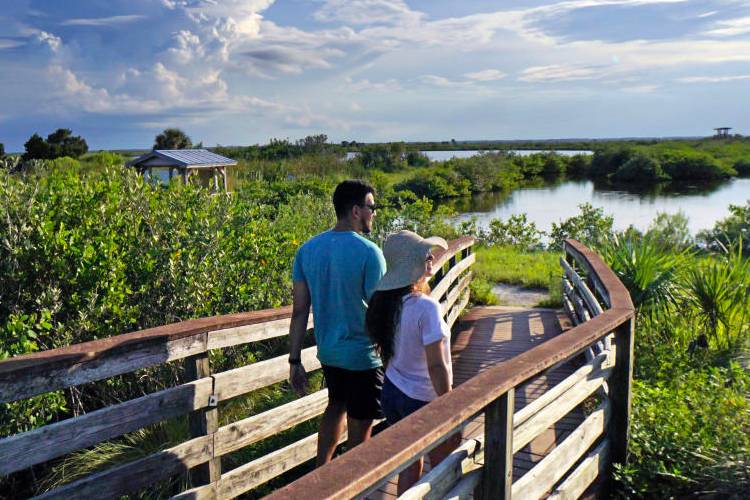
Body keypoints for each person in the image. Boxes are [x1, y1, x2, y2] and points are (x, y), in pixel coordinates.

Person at [288, 179, 386, 466]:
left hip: (329, 352)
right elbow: (379, 313)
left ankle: (322, 473)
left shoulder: (307, 250)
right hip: (363, 355)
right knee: (361, 428)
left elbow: (299, 311)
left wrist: (294, 360)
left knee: (336, 406)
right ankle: (352, 485)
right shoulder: (370, 253)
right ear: (356, 210)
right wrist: (394, 357)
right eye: (371, 207)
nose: (374, 213)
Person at [366, 230, 459, 494]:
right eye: (424, 254)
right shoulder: (425, 307)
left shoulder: (387, 304)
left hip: (393, 392)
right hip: (421, 398)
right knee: (444, 467)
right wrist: (449, 404)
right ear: (412, 264)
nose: (431, 257)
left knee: (410, 463)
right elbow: (437, 366)